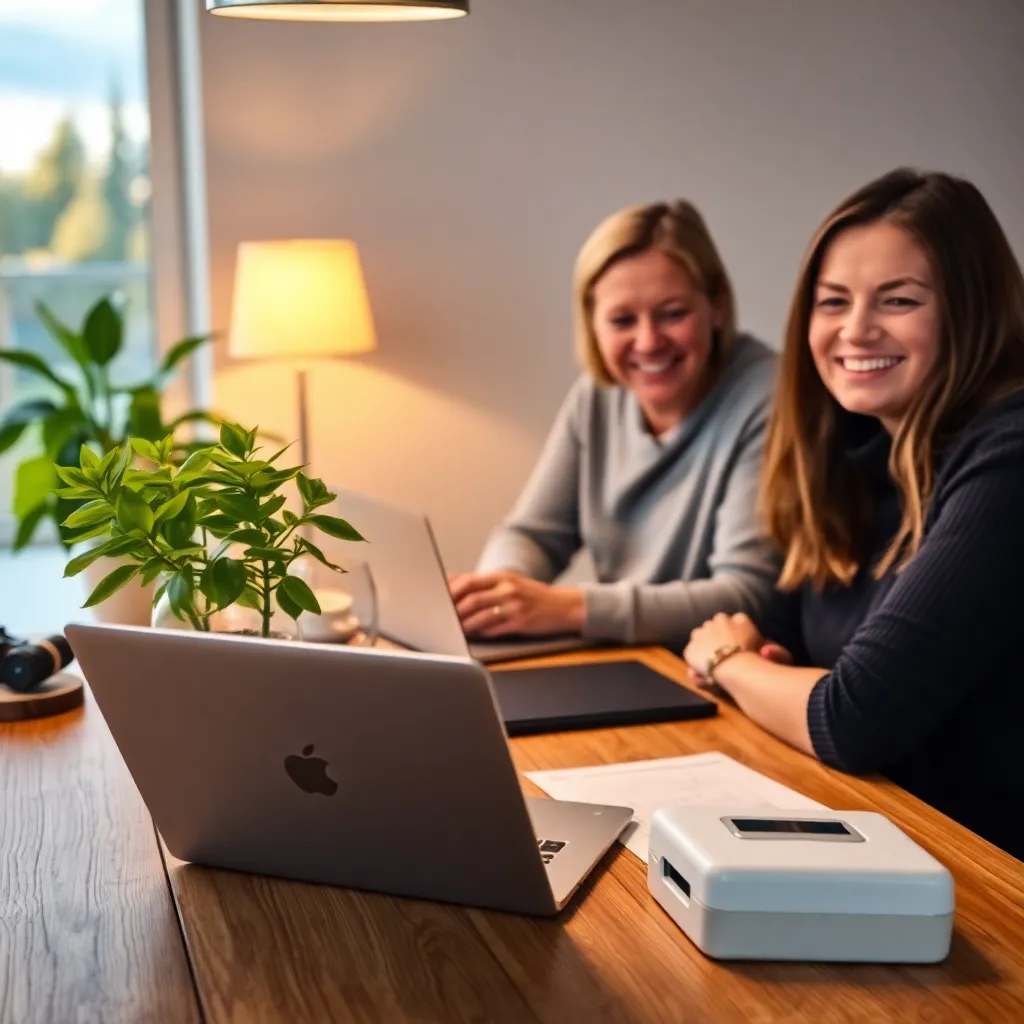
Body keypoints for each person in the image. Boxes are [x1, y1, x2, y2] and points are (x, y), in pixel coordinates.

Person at [683, 169, 1024, 860]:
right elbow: (777, 634)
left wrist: (726, 661)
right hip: (881, 837)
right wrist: (767, 667)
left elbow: (852, 717)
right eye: (832, 302)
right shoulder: (859, 452)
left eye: (898, 300)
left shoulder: (1010, 455)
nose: (856, 329)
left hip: (989, 884)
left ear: (974, 310)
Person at [449, 200, 780, 649]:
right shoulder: (597, 396)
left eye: (672, 313)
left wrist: (566, 608)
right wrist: (499, 593)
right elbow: (533, 534)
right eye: (623, 320)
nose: (648, 341)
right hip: (631, 659)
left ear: (717, 304)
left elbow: (745, 595)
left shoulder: (770, 395)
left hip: (728, 674)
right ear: (592, 322)